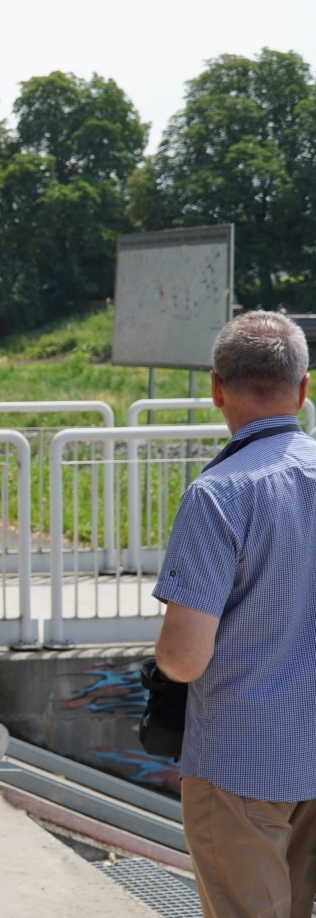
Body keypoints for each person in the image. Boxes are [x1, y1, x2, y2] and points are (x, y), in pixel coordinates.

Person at [152, 311, 316, 918]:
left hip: (241, 759)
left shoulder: (219, 493)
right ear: (302, 389)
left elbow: (183, 658)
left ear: (216, 388)